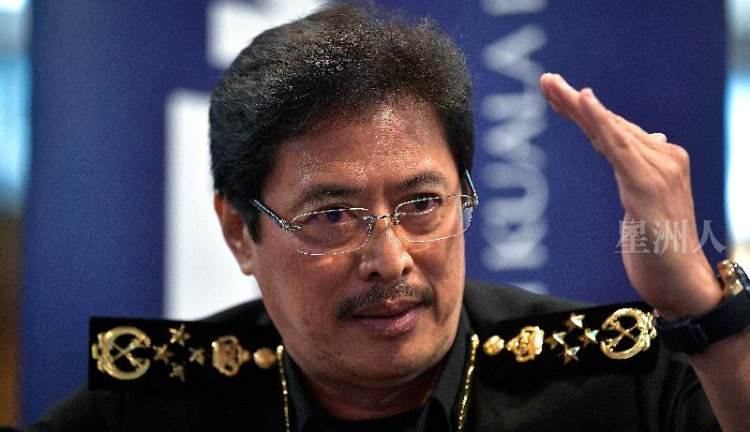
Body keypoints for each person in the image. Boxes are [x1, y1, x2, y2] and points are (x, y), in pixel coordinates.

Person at [21, 3, 750, 431]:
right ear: (241, 232)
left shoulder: (612, 384)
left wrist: (698, 306)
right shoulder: (151, 405)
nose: (391, 258)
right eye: (333, 215)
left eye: (422, 205)